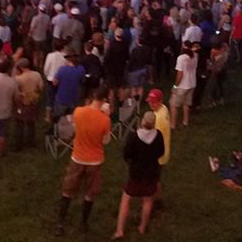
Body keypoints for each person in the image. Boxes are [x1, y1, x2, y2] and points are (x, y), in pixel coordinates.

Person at [55, 86, 112, 237]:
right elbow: (105, 141)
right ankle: (83, 224)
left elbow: (75, 128)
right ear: (105, 100)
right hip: (95, 161)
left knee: (68, 191)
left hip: (78, 158)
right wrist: (106, 115)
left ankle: (60, 223)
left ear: (93, 97)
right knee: (90, 193)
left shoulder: (78, 112)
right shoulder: (105, 120)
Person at [113, 111, 165, 239]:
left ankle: (120, 231)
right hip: (151, 173)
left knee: (126, 199)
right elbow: (161, 152)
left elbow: (126, 154)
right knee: (148, 200)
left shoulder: (134, 136)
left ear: (143, 121)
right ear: (153, 123)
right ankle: (142, 227)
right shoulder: (158, 136)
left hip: (136, 173)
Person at [14, 58, 44, 150]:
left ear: (21, 67)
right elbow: (41, 87)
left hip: (22, 102)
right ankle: (31, 143)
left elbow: (16, 92)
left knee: (20, 123)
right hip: (33, 101)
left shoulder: (18, 78)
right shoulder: (37, 75)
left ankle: (19, 145)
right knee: (31, 123)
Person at [170, 42, 197, 129]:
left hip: (182, 85)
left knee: (173, 104)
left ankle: (172, 125)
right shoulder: (195, 56)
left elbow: (180, 74)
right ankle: (185, 122)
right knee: (186, 103)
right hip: (192, 83)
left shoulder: (181, 58)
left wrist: (175, 86)